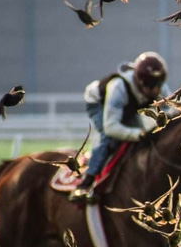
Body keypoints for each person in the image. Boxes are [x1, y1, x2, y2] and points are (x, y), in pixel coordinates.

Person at [70, 51, 169, 202]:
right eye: (150, 86)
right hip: (99, 103)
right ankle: (86, 183)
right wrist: (139, 134)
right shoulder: (119, 87)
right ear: (139, 81)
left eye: (159, 85)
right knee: (109, 140)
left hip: (128, 107)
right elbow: (111, 127)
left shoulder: (158, 86)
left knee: (144, 139)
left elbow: (172, 111)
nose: (156, 90)